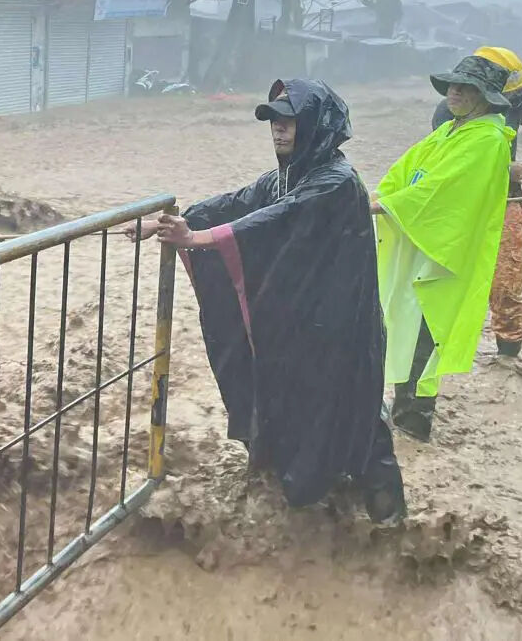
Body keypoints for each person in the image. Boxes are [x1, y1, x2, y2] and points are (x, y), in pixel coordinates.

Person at [130, 79, 405, 523]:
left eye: (289, 122)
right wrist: (170, 224)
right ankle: (308, 490)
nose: (278, 131)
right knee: (296, 397)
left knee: (355, 408)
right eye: (274, 122)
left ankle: (388, 518)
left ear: (315, 127)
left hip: (343, 326)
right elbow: (238, 203)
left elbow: (276, 218)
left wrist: (197, 238)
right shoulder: (288, 174)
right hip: (304, 322)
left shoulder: (335, 180)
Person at [374, 55, 514, 442]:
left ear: (483, 97)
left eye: (465, 87)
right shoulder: (450, 130)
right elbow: (406, 171)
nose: (453, 91)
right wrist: (381, 195)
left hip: (444, 253)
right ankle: (400, 408)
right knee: (401, 320)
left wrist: (387, 204)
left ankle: (415, 422)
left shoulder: (487, 141)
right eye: (453, 85)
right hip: (419, 240)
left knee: (425, 330)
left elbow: (441, 190)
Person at [430, 46, 522, 357]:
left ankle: (509, 354)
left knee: (507, 281)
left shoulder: (517, 103)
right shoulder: (451, 111)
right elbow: (450, 165)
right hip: (463, 204)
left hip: (505, 200)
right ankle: (441, 347)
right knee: (448, 276)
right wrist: (503, 169)